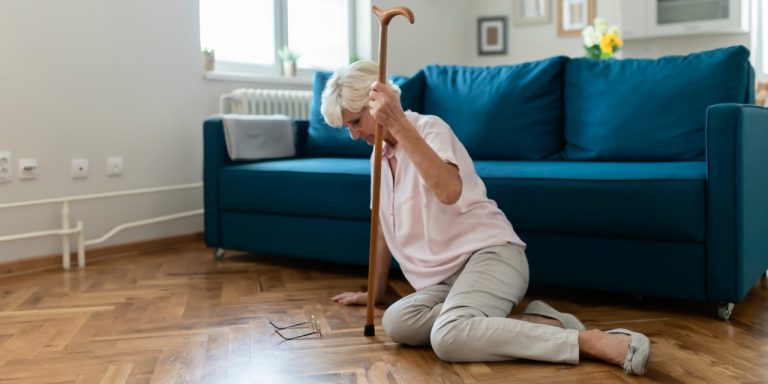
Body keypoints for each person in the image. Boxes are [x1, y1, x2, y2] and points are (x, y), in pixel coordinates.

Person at [322, 60, 650, 376]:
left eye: (355, 122)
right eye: (346, 127)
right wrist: (376, 292)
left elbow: (449, 191)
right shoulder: (377, 159)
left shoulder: (429, 129)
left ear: (378, 102)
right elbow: (382, 227)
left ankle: (588, 341)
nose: (353, 135)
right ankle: (536, 322)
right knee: (397, 322)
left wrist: (398, 124)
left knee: (448, 338)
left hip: (491, 255)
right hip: (444, 281)